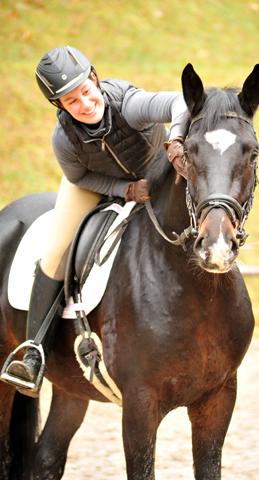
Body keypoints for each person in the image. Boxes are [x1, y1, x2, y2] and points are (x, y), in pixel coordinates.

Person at [1, 46, 187, 397]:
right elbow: (81, 177)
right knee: (55, 251)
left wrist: (175, 139)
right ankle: (33, 350)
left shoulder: (130, 105)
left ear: (94, 79)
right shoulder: (63, 139)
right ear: (60, 107)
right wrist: (126, 189)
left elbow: (180, 102)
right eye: (71, 101)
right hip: (99, 182)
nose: (85, 104)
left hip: (159, 174)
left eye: (86, 91)